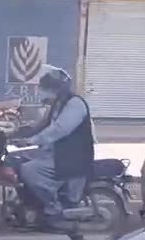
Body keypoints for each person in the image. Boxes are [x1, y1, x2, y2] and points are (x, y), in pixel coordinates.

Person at [8, 66, 95, 230]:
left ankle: (53, 208)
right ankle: (28, 202)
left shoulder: (75, 104)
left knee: (29, 170)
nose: (42, 92)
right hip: (53, 153)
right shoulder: (57, 105)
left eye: (46, 88)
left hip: (71, 157)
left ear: (57, 90)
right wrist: (13, 134)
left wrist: (31, 141)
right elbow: (41, 126)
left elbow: (58, 130)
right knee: (14, 159)